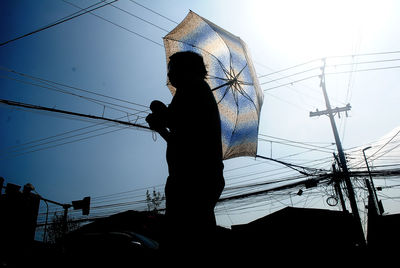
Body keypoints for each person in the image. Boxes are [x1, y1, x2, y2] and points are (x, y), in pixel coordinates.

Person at [146, 51, 225, 257]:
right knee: (193, 237)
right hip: (195, 178)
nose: (169, 75)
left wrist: (161, 115)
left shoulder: (193, 88)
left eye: (172, 70)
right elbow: (179, 141)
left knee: (183, 241)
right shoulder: (193, 91)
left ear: (187, 69)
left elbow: (173, 119)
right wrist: (161, 126)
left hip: (194, 180)